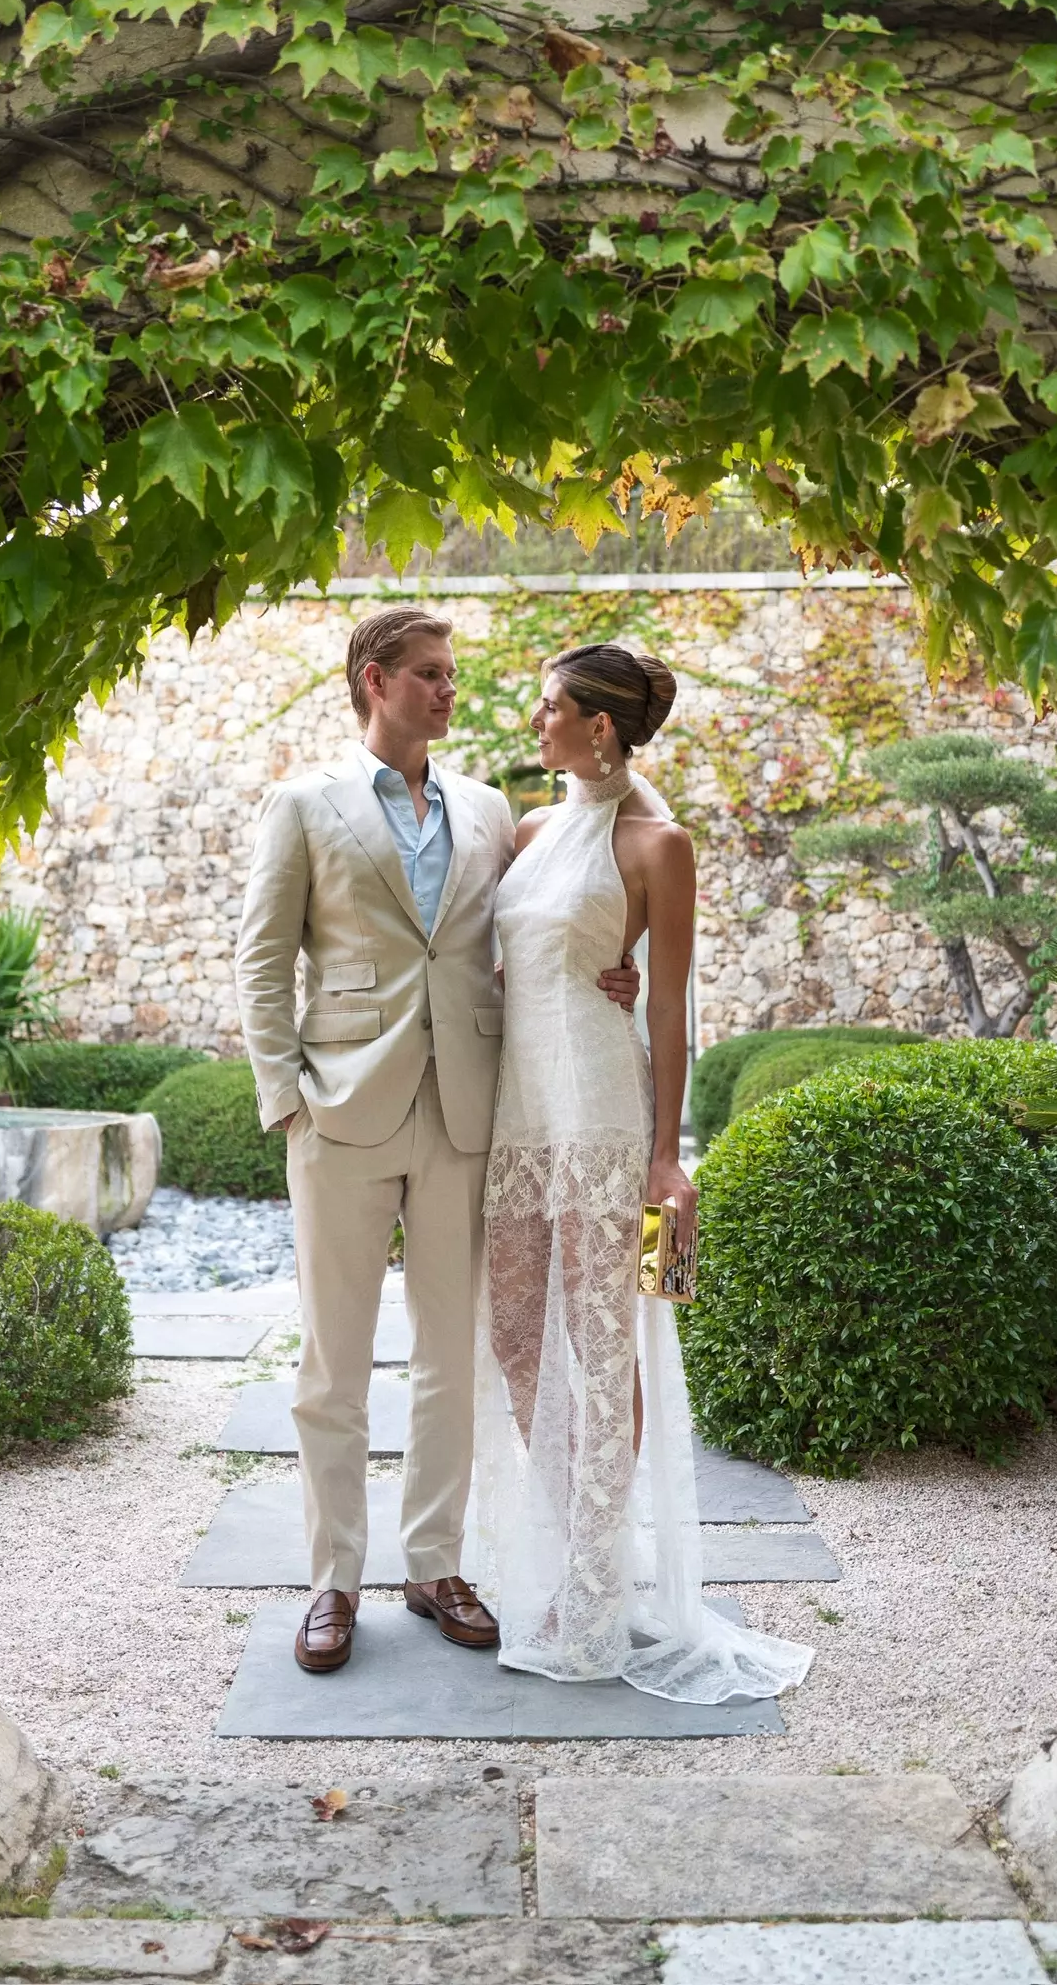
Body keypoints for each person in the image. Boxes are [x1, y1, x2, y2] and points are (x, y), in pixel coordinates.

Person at [233, 607, 639, 1673]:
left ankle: (434, 1564)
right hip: (342, 1111)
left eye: (451, 674)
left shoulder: (491, 806)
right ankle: (333, 1580)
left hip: (468, 1109)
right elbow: (262, 959)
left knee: (450, 1357)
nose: (450, 691)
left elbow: (566, 896)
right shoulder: (304, 803)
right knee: (332, 1362)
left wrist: (617, 959)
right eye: (429, 674)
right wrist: (287, 1098)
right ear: (376, 682)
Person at [476, 643, 815, 1704]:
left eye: (552, 709)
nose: (536, 723)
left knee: (601, 1338)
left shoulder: (661, 846)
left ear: (602, 728)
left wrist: (667, 1152)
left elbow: (667, 1005)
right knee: (518, 1336)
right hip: (518, 1112)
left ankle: (592, 1584)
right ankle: (571, 1540)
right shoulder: (528, 832)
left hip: (605, 1110)